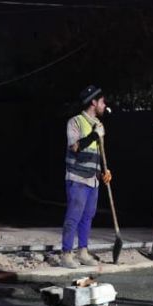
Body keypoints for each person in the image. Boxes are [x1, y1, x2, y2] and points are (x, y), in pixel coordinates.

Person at [61, 85, 112, 269]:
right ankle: (66, 254)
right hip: (77, 177)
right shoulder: (75, 122)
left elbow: (98, 154)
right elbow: (75, 147)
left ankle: (82, 252)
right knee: (74, 216)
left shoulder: (99, 125)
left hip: (92, 179)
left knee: (88, 217)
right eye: (102, 101)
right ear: (93, 102)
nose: (104, 105)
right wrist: (93, 135)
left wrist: (103, 171)